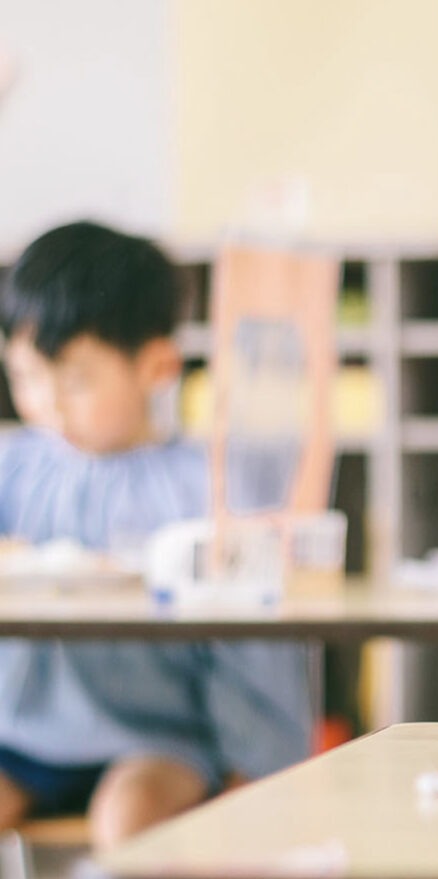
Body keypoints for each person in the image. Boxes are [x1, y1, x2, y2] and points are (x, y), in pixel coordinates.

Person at [0, 221, 310, 848]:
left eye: (77, 380)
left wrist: (257, 757)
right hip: (22, 730)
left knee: (129, 820)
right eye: (27, 378)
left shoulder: (202, 486)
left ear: (157, 367)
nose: (49, 406)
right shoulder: (12, 465)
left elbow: (252, 627)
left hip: (155, 734)